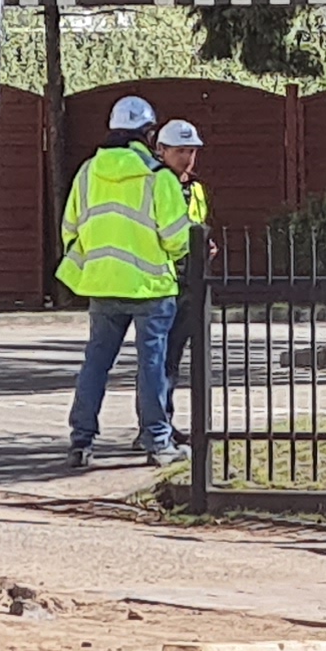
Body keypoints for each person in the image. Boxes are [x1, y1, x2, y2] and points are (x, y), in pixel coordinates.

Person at [59, 94, 194, 471]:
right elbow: (177, 239)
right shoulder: (157, 176)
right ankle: (157, 442)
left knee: (95, 364)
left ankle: (80, 443)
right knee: (151, 365)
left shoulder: (87, 172)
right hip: (151, 288)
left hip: (102, 284)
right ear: (149, 135)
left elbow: (70, 228)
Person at [155, 118, 210, 440]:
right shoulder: (156, 183)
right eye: (180, 151)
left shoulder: (196, 187)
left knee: (178, 358)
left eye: (191, 151)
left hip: (193, 280)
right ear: (162, 151)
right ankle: (157, 423)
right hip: (164, 280)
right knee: (161, 360)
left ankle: (167, 423)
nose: (187, 158)